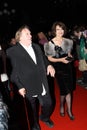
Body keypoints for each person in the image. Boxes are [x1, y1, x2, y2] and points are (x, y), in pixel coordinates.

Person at [6, 25, 55, 130]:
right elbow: (13, 73)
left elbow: (44, 59)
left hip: (42, 82)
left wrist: (49, 65)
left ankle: (45, 118)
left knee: (49, 104)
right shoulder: (13, 52)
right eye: (27, 34)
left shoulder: (36, 46)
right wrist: (19, 86)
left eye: (30, 33)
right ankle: (35, 125)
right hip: (27, 86)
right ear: (20, 37)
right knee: (32, 110)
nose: (30, 35)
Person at [44, 21, 75, 120]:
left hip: (68, 68)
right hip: (58, 69)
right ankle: (62, 105)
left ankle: (68, 110)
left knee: (68, 90)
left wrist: (70, 57)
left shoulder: (69, 41)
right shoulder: (49, 44)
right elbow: (50, 59)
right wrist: (60, 60)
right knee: (64, 90)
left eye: (62, 29)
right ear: (54, 31)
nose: (60, 31)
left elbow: (69, 54)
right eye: (58, 29)